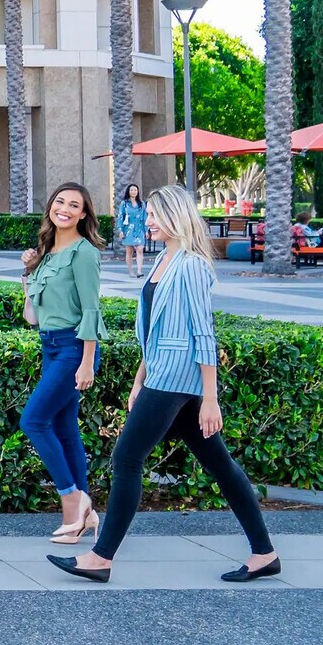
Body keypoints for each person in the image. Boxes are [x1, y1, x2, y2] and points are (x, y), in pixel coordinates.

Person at [50, 184, 279, 586]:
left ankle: (101, 558)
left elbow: (203, 333)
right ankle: (265, 553)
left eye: (154, 215)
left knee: (126, 459)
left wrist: (210, 398)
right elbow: (155, 329)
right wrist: (140, 378)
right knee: (220, 465)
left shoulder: (190, 264)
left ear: (175, 216)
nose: (147, 221)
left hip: (178, 377)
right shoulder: (163, 259)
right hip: (161, 373)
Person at [19, 182, 104, 544]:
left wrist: (87, 362)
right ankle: (82, 517)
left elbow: (91, 310)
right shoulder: (47, 252)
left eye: (74, 205)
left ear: (83, 215)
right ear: (51, 207)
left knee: (33, 421)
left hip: (73, 348)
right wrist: (27, 274)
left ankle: (71, 498)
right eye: (59, 202)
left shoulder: (84, 253)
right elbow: (32, 318)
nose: (64, 209)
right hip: (50, 345)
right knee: (65, 429)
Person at [115, 182, 148, 277]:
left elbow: (145, 217)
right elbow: (120, 216)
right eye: (132, 190)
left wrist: (146, 230)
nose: (133, 192)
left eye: (135, 190)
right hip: (128, 229)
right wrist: (120, 230)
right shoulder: (124, 204)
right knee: (129, 251)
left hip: (139, 229)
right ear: (128, 192)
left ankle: (139, 270)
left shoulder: (141, 204)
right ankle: (130, 271)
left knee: (140, 249)